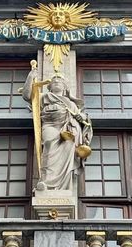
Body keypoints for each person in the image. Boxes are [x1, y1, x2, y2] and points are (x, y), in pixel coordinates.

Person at [21, 62, 93, 191]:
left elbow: (83, 120)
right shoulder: (44, 97)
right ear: (49, 86)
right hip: (49, 125)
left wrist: (81, 118)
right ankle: (46, 182)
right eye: (54, 81)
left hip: (68, 130)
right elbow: (27, 96)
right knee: (48, 143)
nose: (56, 82)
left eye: (59, 80)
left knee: (67, 152)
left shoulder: (71, 104)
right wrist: (31, 76)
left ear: (65, 87)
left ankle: (62, 187)